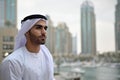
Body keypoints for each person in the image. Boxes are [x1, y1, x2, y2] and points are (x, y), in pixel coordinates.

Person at [0, 14, 54, 80]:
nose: (44, 32)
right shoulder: (12, 62)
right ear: (27, 32)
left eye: (45, 28)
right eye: (38, 28)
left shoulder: (47, 56)